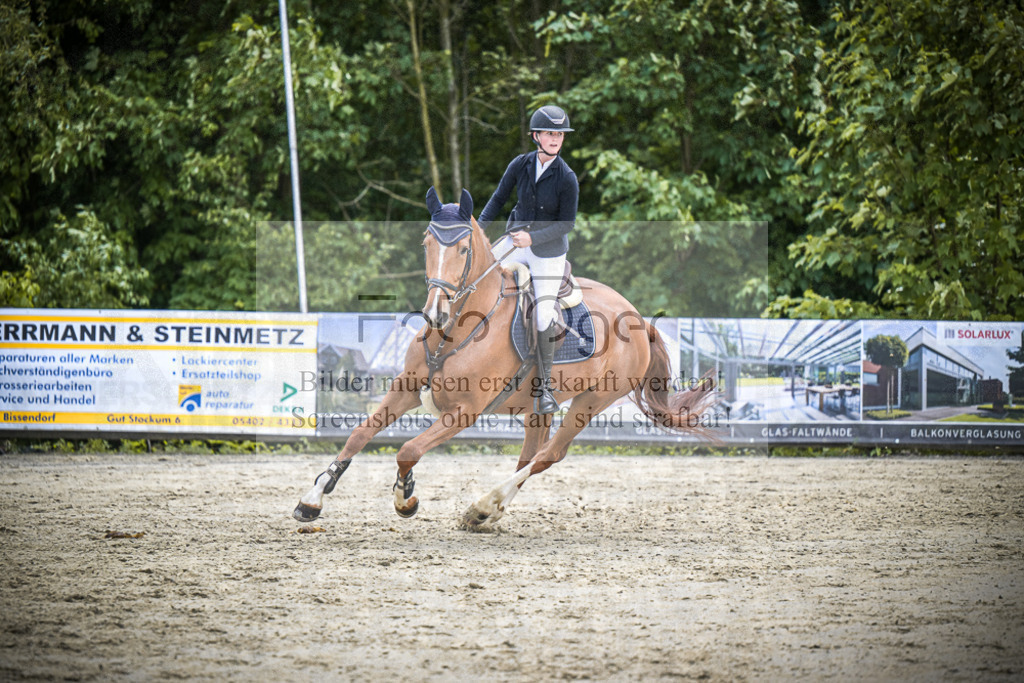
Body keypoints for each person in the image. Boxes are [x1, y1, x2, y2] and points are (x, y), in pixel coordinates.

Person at [477, 104, 579, 414]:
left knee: (543, 314)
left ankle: (545, 388)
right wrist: (477, 232)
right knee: (478, 278)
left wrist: (532, 238)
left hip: (548, 251)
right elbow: (497, 199)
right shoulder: (520, 165)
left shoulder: (567, 177)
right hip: (515, 238)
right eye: (549, 133)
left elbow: (567, 224)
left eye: (559, 134)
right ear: (536, 136)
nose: (555, 139)